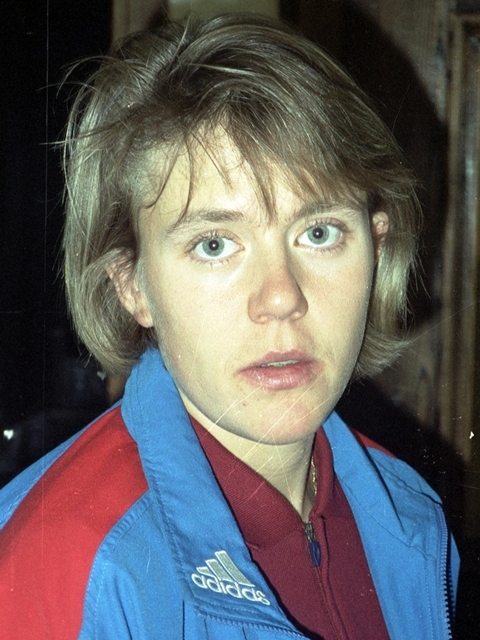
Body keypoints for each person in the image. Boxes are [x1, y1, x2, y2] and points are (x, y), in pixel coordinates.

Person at [0, 13, 458, 640]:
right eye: (215, 244)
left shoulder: (412, 516)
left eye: (319, 233)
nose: (282, 298)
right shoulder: (63, 569)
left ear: (376, 250)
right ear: (133, 285)